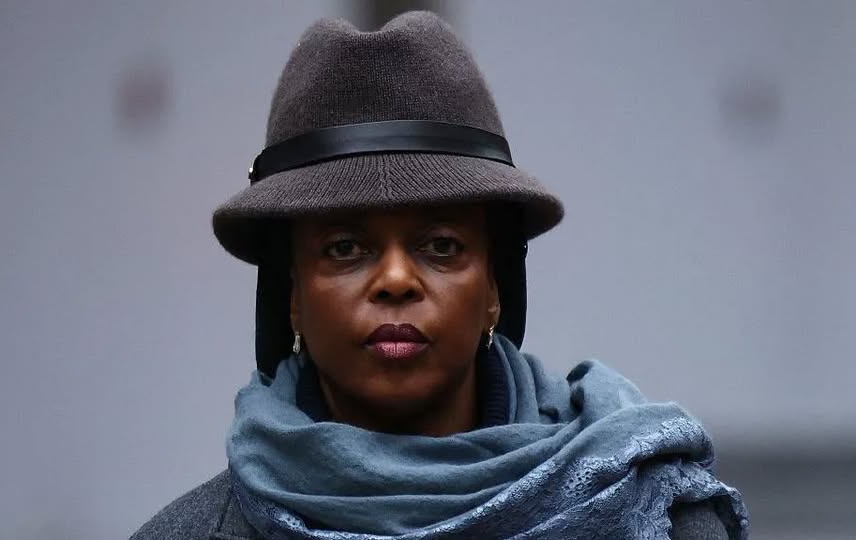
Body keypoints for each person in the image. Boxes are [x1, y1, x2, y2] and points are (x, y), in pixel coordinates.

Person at [132, 11, 748, 540]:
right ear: (291, 294)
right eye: (345, 247)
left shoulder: (654, 514)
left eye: (442, 246)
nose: (396, 279)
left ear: (494, 289)